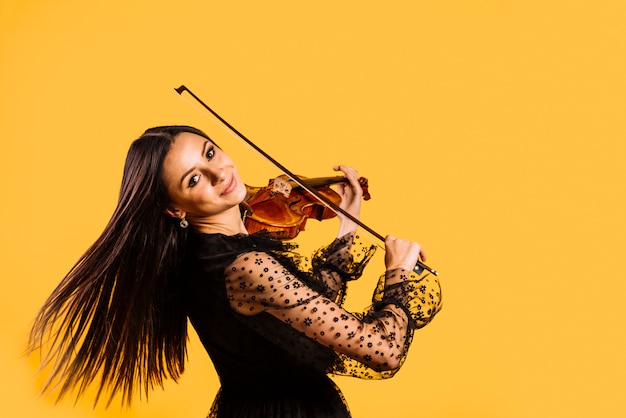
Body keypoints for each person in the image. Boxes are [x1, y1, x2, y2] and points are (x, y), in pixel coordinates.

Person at [28, 125, 442, 417]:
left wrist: (346, 224)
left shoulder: (200, 254)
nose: (220, 173)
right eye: (194, 179)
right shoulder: (248, 265)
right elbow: (382, 351)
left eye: (210, 153)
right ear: (175, 208)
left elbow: (303, 316)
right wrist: (398, 273)